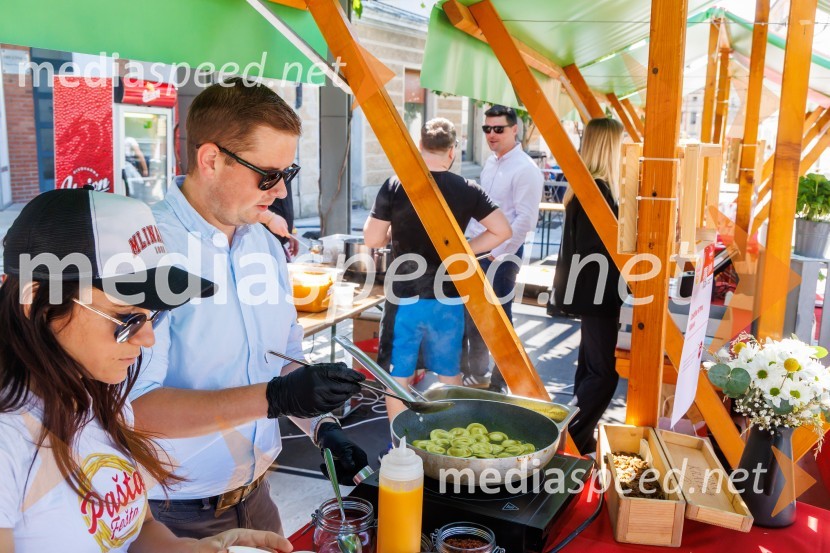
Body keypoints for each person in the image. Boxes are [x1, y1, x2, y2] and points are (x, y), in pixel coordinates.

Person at [129, 77, 368, 539]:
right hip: (171, 515)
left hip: (258, 495)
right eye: (268, 175)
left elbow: (282, 356)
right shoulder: (147, 249)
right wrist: (275, 399)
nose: (280, 192)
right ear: (210, 159)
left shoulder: (262, 241)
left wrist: (321, 425)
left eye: (288, 174)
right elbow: (137, 410)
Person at [0, 187, 291, 553]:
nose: (148, 339)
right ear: (38, 302)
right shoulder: (9, 436)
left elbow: (137, 529)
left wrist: (191, 548)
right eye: (124, 318)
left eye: (153, 315)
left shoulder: (99, 397)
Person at [363, 118, 512, 422]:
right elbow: (502, 231)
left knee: (398, 378)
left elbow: (372, 238)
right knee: (449, 375)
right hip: (448, 299)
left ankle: (399, 449)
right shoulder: (467, 188)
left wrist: (392, 234)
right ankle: (450, 443)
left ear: (419, 147)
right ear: (452, 151)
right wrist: (463, 250)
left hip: (404, 299)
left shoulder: (395, 184)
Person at [551, 117, 624, 455]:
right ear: (611, 146)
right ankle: (573, 438)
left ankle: (579, 436)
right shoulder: (598, 189)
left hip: (591, 291)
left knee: (591, 367)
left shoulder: (588, 186)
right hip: (598, 292)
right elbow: (596, 248)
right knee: (602, 374)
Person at [462, 105, 544, 393]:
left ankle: (501, 380)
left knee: (499, 319)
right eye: (487, 129)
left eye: (498, 129)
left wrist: (498, 254)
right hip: (480, 250)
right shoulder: (490, 162)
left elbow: (525, 220)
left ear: (514, 130)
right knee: (475, 315)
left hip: (502, 255)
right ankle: (478, 373)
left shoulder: (525, 169)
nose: (491, 134)